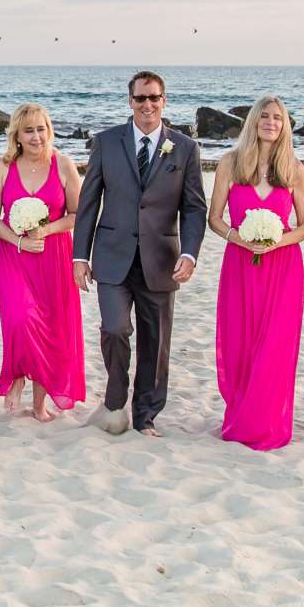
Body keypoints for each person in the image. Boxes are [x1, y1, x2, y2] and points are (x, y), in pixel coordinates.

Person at [73, 70, 206, 437]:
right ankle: (115, 401)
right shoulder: (106, 141)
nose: (147, 105)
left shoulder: (185, 148)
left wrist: (190, 253)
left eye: (154, 98)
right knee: (115, 329)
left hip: (161, 259)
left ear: (164, 101)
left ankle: (146, 414)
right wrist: (79, 256)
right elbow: (89, 203)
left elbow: (194, 208)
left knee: (155, 342)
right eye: (140, 98)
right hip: (112, 257)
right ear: (129, 101)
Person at [207, 96, 304, 450]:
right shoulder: (231, 164)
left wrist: (276, 242)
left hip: (283, 269)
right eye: (265, 116)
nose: (271, 122)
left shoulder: (293, 168)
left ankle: (267, 422)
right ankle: (240, 415)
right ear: (253, 121)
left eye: (278, 118)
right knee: (240, 342)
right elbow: (215, 218)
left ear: (285, 126)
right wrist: (238, 237)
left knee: (274, 346)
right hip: (240, 266)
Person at [0, 101, 84, 422]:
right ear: (16, 134)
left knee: (50, 328)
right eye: (28, 130)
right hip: (12, 256)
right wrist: (19, 241)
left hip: (53, 256)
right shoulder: (3, 166)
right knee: (20, 318)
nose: (36, 136)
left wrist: (47, 229)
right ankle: (16, 375)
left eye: (41, 129)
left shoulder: (64, 165)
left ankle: (40, 403)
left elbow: (76, 215)